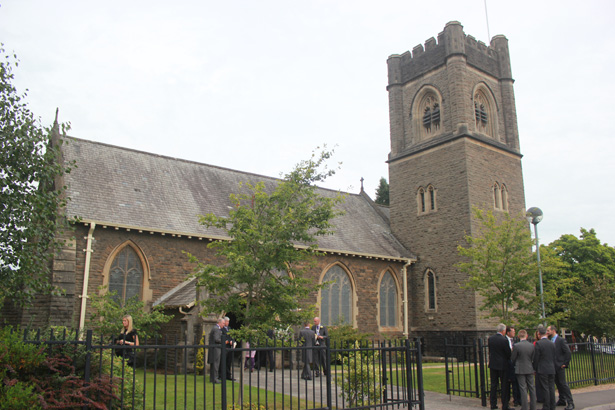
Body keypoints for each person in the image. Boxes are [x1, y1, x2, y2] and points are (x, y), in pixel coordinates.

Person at [547, 326, 574, 410]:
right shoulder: (550, 340)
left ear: (553, 331)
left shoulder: (561, 340)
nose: (547, 332)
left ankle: (570, 402)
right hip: (553, 366)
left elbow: (568, 352)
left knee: (563, 384)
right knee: (558, 384)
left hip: (559, 365)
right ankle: (562, 399)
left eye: (548, 330)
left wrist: (565, 363)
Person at [489, 323, 512, 410]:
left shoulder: (491, 339)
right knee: (504, 385)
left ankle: (493, 404)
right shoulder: (504, 340)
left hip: (493, 364)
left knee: (494, 385)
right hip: (502, 365)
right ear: (503, 331)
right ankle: (505, 405)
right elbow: (508, 353)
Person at [511, 329, 536, 410]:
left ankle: (524, 407)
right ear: (527, 336)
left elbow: (513, 358)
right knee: (531, 387)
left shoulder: (516, 346)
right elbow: (533, 357)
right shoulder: (531, 345)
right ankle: (533, 406)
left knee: (523, 388)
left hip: (520, 368)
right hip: (529, 367)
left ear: (518, 336)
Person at [534, 325, 556, 410]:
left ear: (539, 334)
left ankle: (546, 406)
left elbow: (536, 358)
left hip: (543, 368)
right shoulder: (551, 343)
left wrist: (535, 368)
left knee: (545, 388)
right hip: (551, 367)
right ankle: (552, 405)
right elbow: (554, 356)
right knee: (551, 387)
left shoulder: (539, 343)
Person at [507, 326, 522, 407]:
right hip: (509, 365)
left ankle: (518, 399)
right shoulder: (505, 340)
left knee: (517, 383)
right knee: (513, 383)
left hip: (516, 365)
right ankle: (514, 399)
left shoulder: (515, 341)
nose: (514, 333)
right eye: (513, 331)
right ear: (508, 332)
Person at [208, 318, 225, 384]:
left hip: (214, 348)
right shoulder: (216, 329)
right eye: (223, 323)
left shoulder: (214, 328)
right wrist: (224, 341)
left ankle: (212, 378)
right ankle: (215, 378)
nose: (224, 325)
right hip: (216, 349)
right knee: (216, 364)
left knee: (213, 363)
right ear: (219, 323)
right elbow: (217, 339)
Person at [222, 316, 236, 381]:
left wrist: (232, 341)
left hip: (230, 347)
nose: (228, 323)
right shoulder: (222, 329)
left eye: (228, 321)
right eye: (227, 321)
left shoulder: (229, 328)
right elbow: (223, 337)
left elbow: (232, 336)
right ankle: (222, 375)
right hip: (225, 347)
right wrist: (228, 341)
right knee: (224, 361)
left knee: (229, 362)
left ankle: (228, 375)